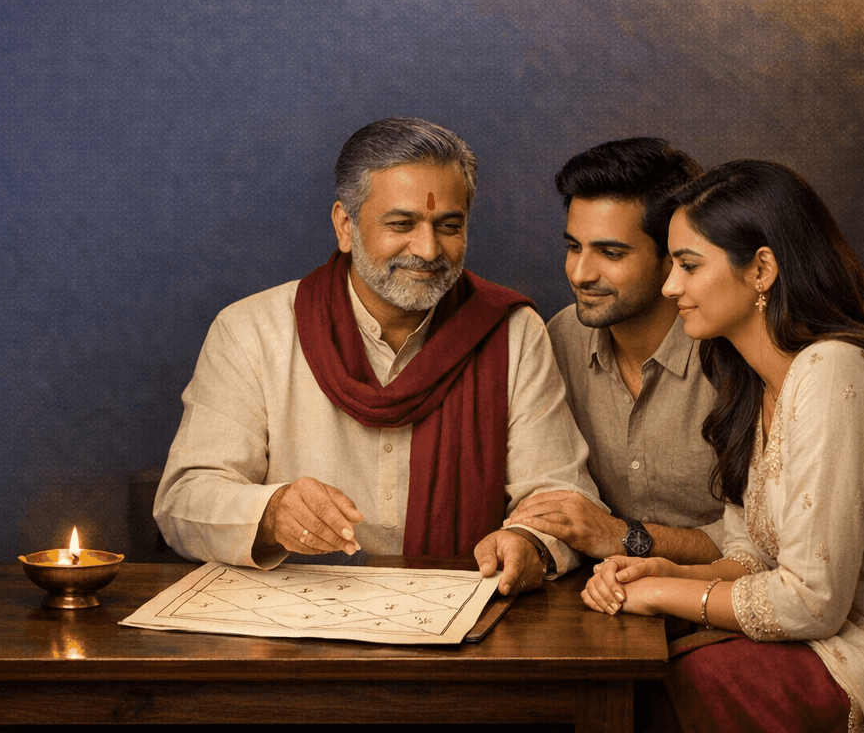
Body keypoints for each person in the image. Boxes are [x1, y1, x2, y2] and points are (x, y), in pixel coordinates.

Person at [154, 117, 602, 595]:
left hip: (466, 613)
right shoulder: (252, 331)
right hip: (291, 618)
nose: (427, 249)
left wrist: (528, 542)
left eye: (449, 226)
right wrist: (270, 513)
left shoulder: (510, 331)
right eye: (402, 224)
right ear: (345, 226)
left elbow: (559, 496)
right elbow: (183, 500)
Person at [582, 160, 864, 733]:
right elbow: (750, 556)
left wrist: (659, 592)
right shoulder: (757, 383)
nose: (670, 287)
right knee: (630, 673)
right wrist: (665, 571)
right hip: (814, 640)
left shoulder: (835, 373)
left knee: (682, 680)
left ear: (761, 269)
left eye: (688, 265)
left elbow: (810, 602)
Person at [505, 138, 725, 564]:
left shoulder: (730, 353)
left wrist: (624, 537)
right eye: (574, 247)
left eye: (611, 253)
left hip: (721, 595)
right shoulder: (559, 339)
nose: (580, 273)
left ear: (672, 258)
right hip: (595, 594)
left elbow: (763, 539)